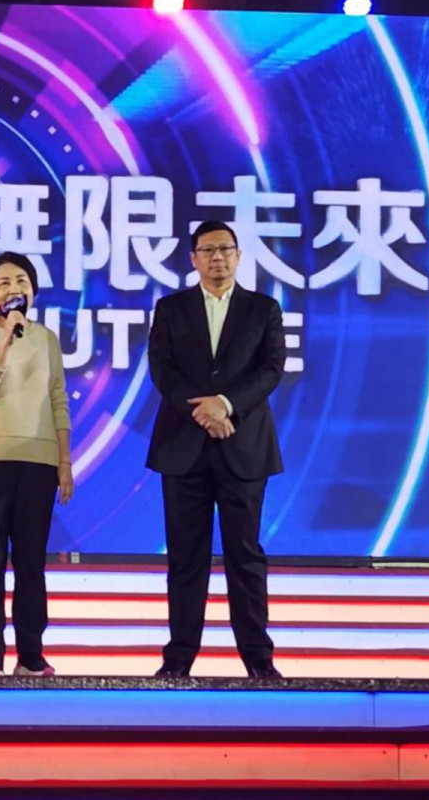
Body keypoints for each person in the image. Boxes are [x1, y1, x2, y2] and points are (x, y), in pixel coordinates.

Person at [146, 220, 285, 679]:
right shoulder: (171, 308)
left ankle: (259, 660)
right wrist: (202, 411)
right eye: (207, 250)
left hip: (243, 446)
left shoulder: (263, 309)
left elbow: (271, 369)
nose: (217, 257)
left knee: (246, 555)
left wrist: (225, 405)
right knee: (186, 557)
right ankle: (178, 658)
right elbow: (162, 369)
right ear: (193, 259)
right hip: (183, 448)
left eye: (225, 249)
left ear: (239, 256)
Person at [0, 251, 73, 677]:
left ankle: (31, 654)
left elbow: (58, 399)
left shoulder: (47, 339)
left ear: (34, 290)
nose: (14, 288)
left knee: (30, 562)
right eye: (3, 282)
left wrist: (64, 460)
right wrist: (6, 339)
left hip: (38, 460)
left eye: (21, 280)